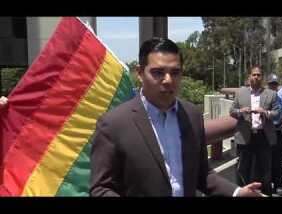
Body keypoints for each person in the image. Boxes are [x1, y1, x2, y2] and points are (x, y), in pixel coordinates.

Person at [89, 37, 263, 197]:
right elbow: (101, 189)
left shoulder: (192, 115)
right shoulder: (113, 124)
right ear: (140, 73)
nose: (167, 80)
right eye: (158, 72)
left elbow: (203, 174)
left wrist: (237, 192)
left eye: (175, 72)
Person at [230, 66, 280, 196]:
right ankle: (243, 192)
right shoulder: (240, 93)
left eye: (259, 75)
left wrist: (266, 112)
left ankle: (265, 192)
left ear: (262, 77)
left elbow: (277, 113)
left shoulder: (271, 94)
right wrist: (240, 112)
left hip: (263, 136)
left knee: (265, 167)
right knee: (243, 167)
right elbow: (232, 111)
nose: (256, 77)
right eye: (254, 74)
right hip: (245, 135)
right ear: (249, 77)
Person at [266, 73, 282, 196]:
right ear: (268, 85)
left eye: (275, 84)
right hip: (265, 132)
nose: (273, 86)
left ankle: (278, 184)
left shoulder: (280, 99)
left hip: (277, 131)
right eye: (271, 84)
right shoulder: (263, 97)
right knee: (265, 159)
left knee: (277, 159)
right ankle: (266, 183)